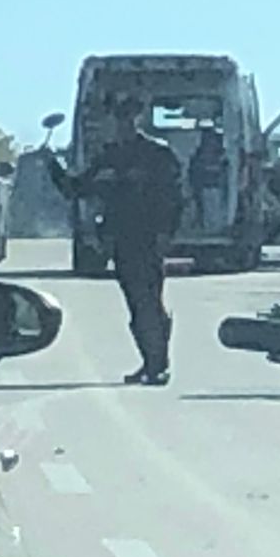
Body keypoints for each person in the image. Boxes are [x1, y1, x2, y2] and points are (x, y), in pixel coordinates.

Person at [47, 96, 185, 386]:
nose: (124, 124)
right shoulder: (110, 156)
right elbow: (77, 189)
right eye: (120, 119)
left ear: (138, 120)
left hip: (147, 237)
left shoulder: (157, 154)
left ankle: (157, 364)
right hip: (120, 237)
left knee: (147, 301)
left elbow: (174, 200)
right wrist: (53, 167)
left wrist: (166, 234)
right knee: (138, 303)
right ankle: (152, 362)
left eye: (129, 118)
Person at [190, 121, 228, 232]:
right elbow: (193, 172)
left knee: (215, 209)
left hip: (216, 188)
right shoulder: (198, 156)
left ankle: (214, 228)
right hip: (204, 187)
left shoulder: (222, 155)